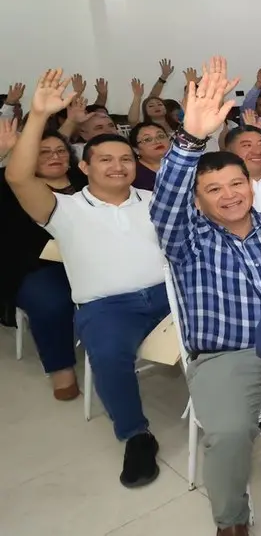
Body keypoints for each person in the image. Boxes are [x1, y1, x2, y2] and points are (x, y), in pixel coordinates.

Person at [149, 57, 261, 535]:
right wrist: (190, 139)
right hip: (228, 356)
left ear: (251, 186)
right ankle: (232, 521)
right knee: (230, 432)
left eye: (237, 183)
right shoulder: (186, 239)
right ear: (197, 199)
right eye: (213, 189)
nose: (229, 195)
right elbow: (166, 201)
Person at [6, 69, 171, 489]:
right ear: (85, 165)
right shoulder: (65, 209)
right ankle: (136, 436)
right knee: (110, 353)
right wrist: (39, 116)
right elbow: (18, 177)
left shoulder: (154, 201)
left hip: (169, 296)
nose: (118, 166)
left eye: (125, 159)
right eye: (106, 159)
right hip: (109, 308)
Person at [1, 123, 84, 401]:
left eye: (61, 150)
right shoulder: (11, 184)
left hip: (90, 259)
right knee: (52, 301)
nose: (54, 156)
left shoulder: (85, 179)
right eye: (44, 152)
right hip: (38, 267)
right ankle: (61, 369)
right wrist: (6, 151)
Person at [128, 121, 170, 191]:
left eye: (161, 136)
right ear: (136, 150)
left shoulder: (182, 162)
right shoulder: (133, 174)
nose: (157, 141)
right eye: (147, 139)